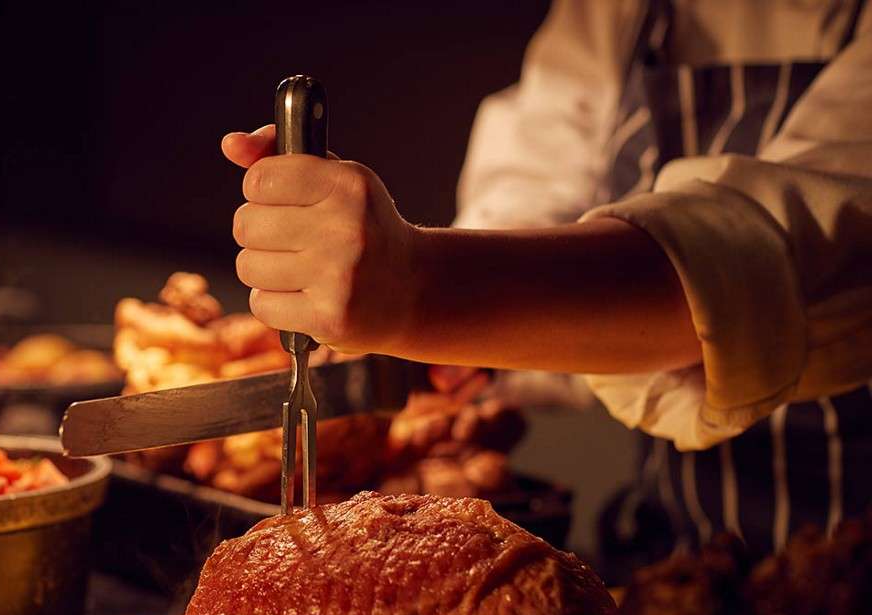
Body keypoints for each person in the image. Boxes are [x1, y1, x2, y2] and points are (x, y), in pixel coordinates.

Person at [222, 0, 872, 563]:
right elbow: (542, 181)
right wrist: (453, 354)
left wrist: (422, 289)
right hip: (683, 555)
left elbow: (765, 266)